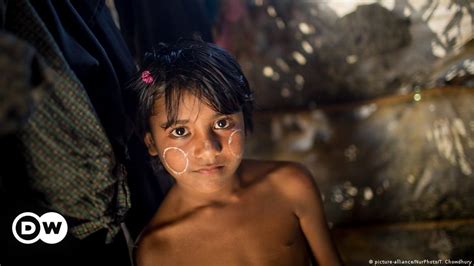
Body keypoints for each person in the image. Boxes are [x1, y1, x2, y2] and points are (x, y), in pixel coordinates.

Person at [131, 39, 343, 266]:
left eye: (222, 124)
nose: (209, 149)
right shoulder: (157, 251)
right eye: (181, 131)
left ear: (245, 118)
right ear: (151, 143)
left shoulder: (291, 186)